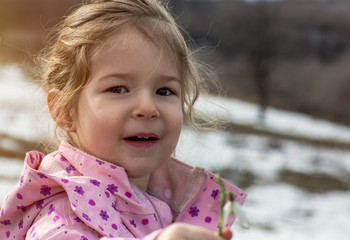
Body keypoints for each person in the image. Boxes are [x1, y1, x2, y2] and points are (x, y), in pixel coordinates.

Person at [0, 0, 247, 239]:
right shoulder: (64, 216)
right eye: (118, 89)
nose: (148, 107)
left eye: (164, 91)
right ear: (65, 112)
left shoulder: (167, 200)